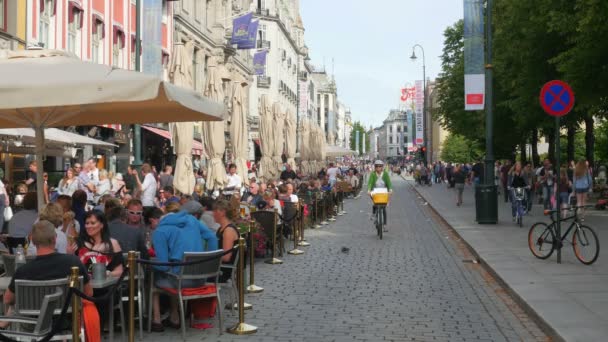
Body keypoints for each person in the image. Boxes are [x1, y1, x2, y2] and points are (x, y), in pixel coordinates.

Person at [1, 220, 93, 329]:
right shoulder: (73, 262)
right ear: (55, 238)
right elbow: (89, 293)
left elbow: (7, 299)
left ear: (33, 241)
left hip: (32, 324)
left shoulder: (23, 270)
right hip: (65, 322)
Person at [150, 203, 218, 332]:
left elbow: (163, 265)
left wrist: (148, 262)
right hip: (201, 278)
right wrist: (210, 260)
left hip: (181, 282)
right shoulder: (192, 220)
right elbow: (212, 237)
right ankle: (174, 317)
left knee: (156, 276)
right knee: (174, 272)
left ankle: (156, 320)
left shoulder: (160, 230)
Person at [68, 210, 123, 330]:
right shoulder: (79, 243)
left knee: (102, 296)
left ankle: (94, 332)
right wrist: (70, 255)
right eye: (87, 223)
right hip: (82, 288)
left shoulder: (112, 244)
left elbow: (120, 271)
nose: (89, 226)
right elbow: (71, 268)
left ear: (102, 224)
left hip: (103, 289)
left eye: (92, 223)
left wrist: (108, 273)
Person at [213, 200, 240, 283]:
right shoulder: (221, 229)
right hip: (219, 268)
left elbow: (226, 257)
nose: (213, 214)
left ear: (223, 212)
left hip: (223, 271)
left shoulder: (228, 231)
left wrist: (208, 258)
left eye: (215, 211)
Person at [367, 160, 392, 232]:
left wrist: (390, 189)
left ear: (382, 167)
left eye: (380, 166)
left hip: (384, 192)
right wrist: (369, 190)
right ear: (375, 167)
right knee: (375, 203)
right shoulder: (373, 174)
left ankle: (384, 225)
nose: (378, 168)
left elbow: (389, 182)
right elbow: (370, 183)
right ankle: (374, 214)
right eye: (377, 166)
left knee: (384, 208)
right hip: (375, 192)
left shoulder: (385, 174)